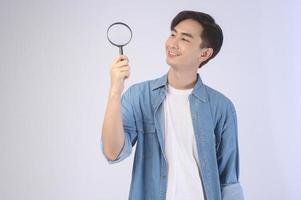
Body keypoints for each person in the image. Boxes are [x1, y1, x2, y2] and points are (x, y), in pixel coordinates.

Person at [101, 10, 244, 200]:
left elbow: (229, 181)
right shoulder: (139, 96)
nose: (172, 43)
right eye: (173, 34)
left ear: (205, 53)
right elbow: (112, 152)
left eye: (185, 39)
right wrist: (115, 91)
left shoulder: (221, 107)